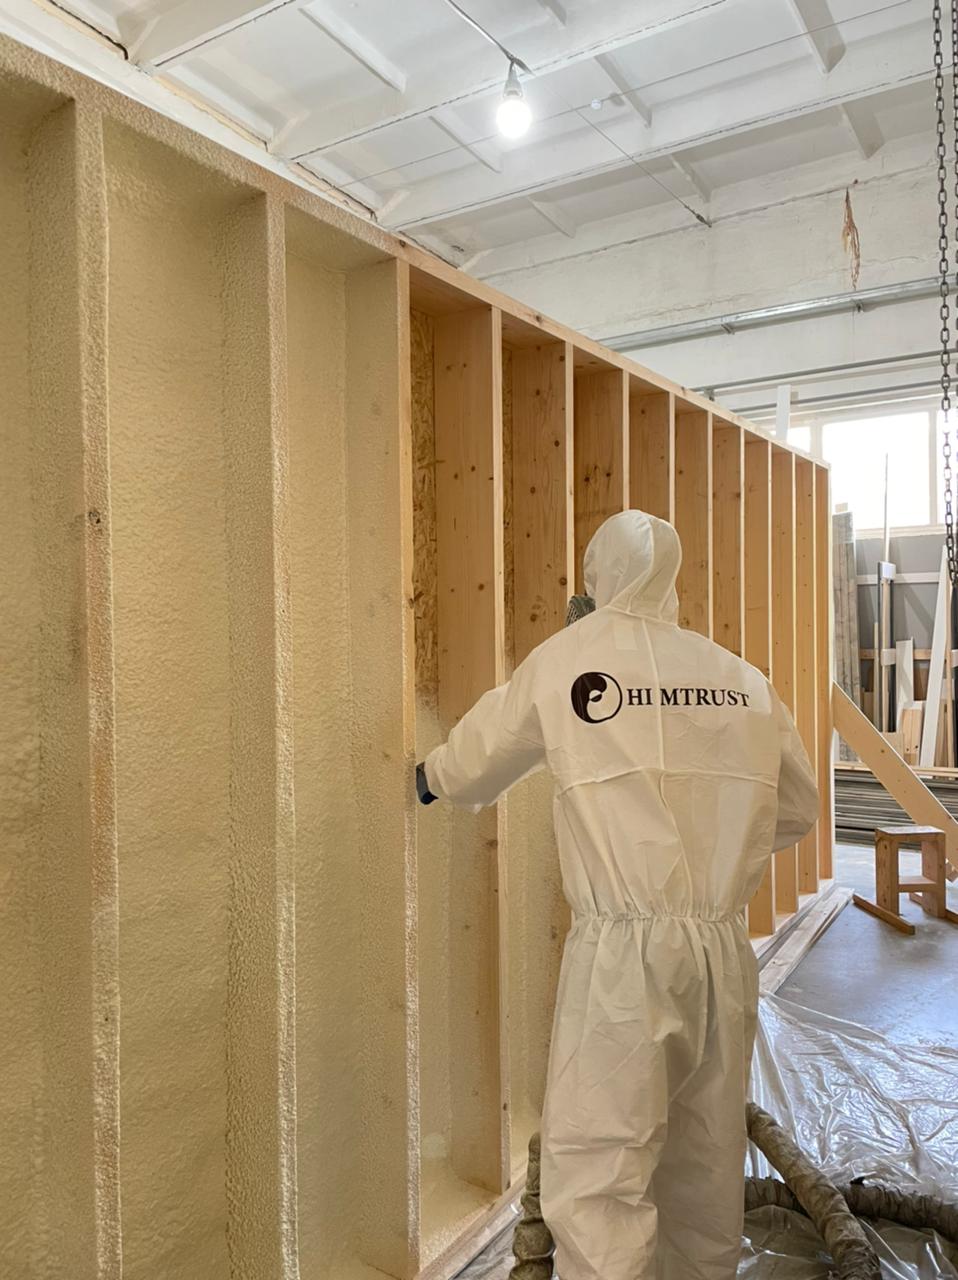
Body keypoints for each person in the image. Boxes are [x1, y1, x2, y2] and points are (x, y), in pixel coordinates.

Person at [417, 509, 819, 1280]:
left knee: (600, 1170)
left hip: (623, 963)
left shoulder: (572, 657)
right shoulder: (741, 678)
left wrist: (429, 777)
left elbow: (484, 748)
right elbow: (796, 808)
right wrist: (712, 845)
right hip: (721, 955)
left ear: (596, 575)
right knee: (703, 1165)